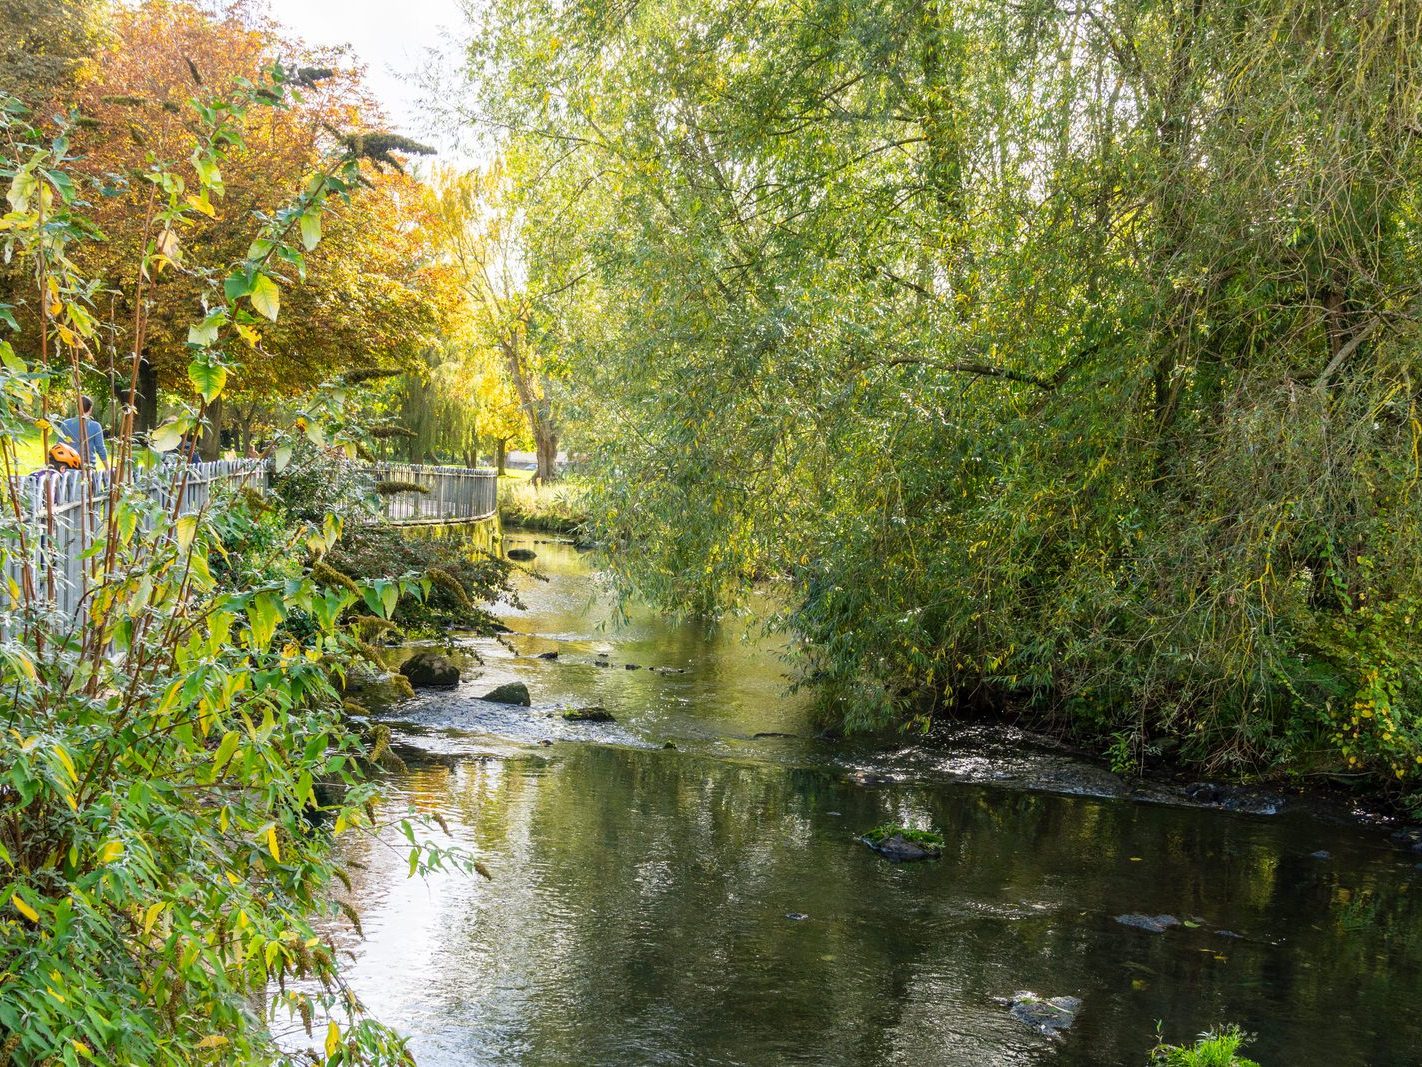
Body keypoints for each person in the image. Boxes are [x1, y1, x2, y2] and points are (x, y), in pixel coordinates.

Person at [57, 395, 107, 467]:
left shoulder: (65, 423)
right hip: (88, 466)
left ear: (78, 408)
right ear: (90, 409)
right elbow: (101, 449)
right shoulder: (96, 426)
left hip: (68, 465)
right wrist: (107, 468)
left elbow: (59, 446)